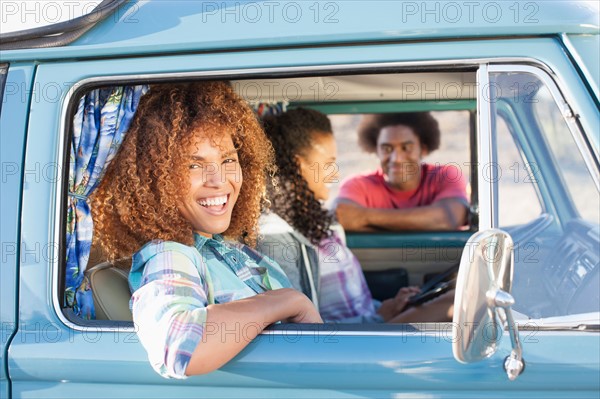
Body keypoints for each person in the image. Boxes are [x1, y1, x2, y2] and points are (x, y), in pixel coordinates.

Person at [91, 82, 322, 379]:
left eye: (227, 159)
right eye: (193, 165)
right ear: (155, 181)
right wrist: (287, 301)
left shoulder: (235, 251)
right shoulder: (171, 253)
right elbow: (179, 346)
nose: (218, 180)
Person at [258, 108, 453, 324]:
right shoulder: (276, 237)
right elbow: (296, 331)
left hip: (371, 325)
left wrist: (385, 307)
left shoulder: (318, 223)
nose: (336, 174)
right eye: (328, 164)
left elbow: (352, 305)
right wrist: (377, 318)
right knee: (455, 303)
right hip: (350, 344)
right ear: (298, 165)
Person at [335, 112, 469, 232]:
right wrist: (425, 221)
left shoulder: (446, 175)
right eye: (387, 148)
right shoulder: (357, 185)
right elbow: (340, 217)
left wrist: (363, 217)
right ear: (377, 151)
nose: (396, 159)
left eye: (406, 148)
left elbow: (448, 218)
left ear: (423, 149)